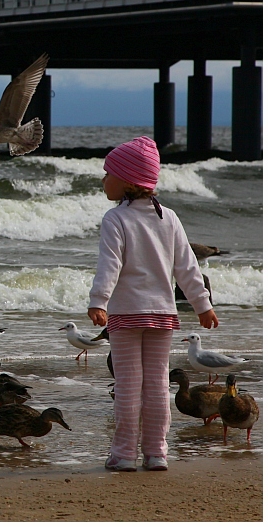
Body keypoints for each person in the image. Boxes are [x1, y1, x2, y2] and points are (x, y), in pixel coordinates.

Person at [87, 136, 217, 473]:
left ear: (128, 181)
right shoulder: (168, 217)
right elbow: (187, 266)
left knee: (128, 385)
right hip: (162, 314)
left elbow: (109, 265)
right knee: (158, 383)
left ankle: (124, 454)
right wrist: (202, 304)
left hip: (126, 314)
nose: (103, 180)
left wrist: (99, 300)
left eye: (108, 174)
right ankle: (157, 453)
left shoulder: (115, 219)